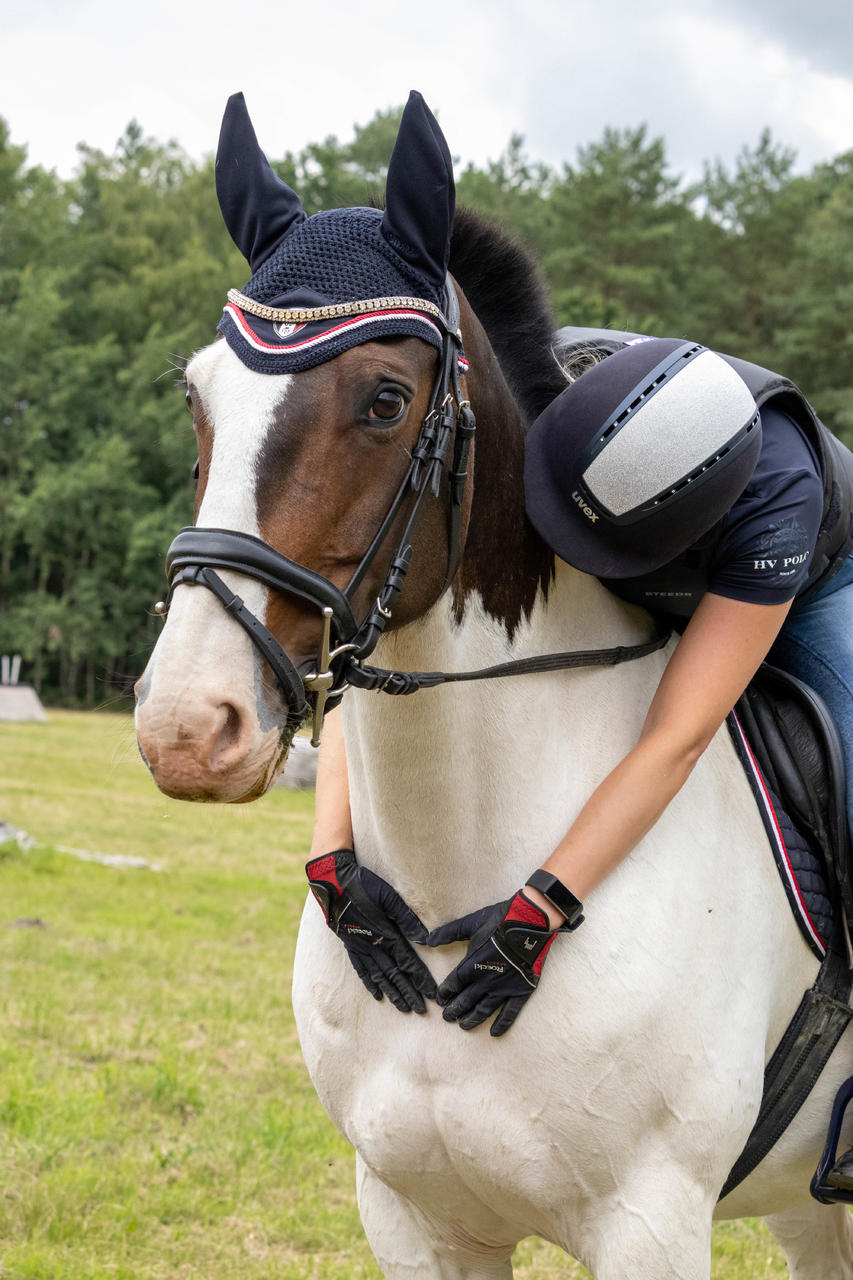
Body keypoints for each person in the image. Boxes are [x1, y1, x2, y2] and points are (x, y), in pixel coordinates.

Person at [306, 334, 853, 1182]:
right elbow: (380, 634)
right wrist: (330, 857)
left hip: (820, 580)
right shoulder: (520, 401)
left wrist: (539, 908)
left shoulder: (777, 495)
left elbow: (676, 738)